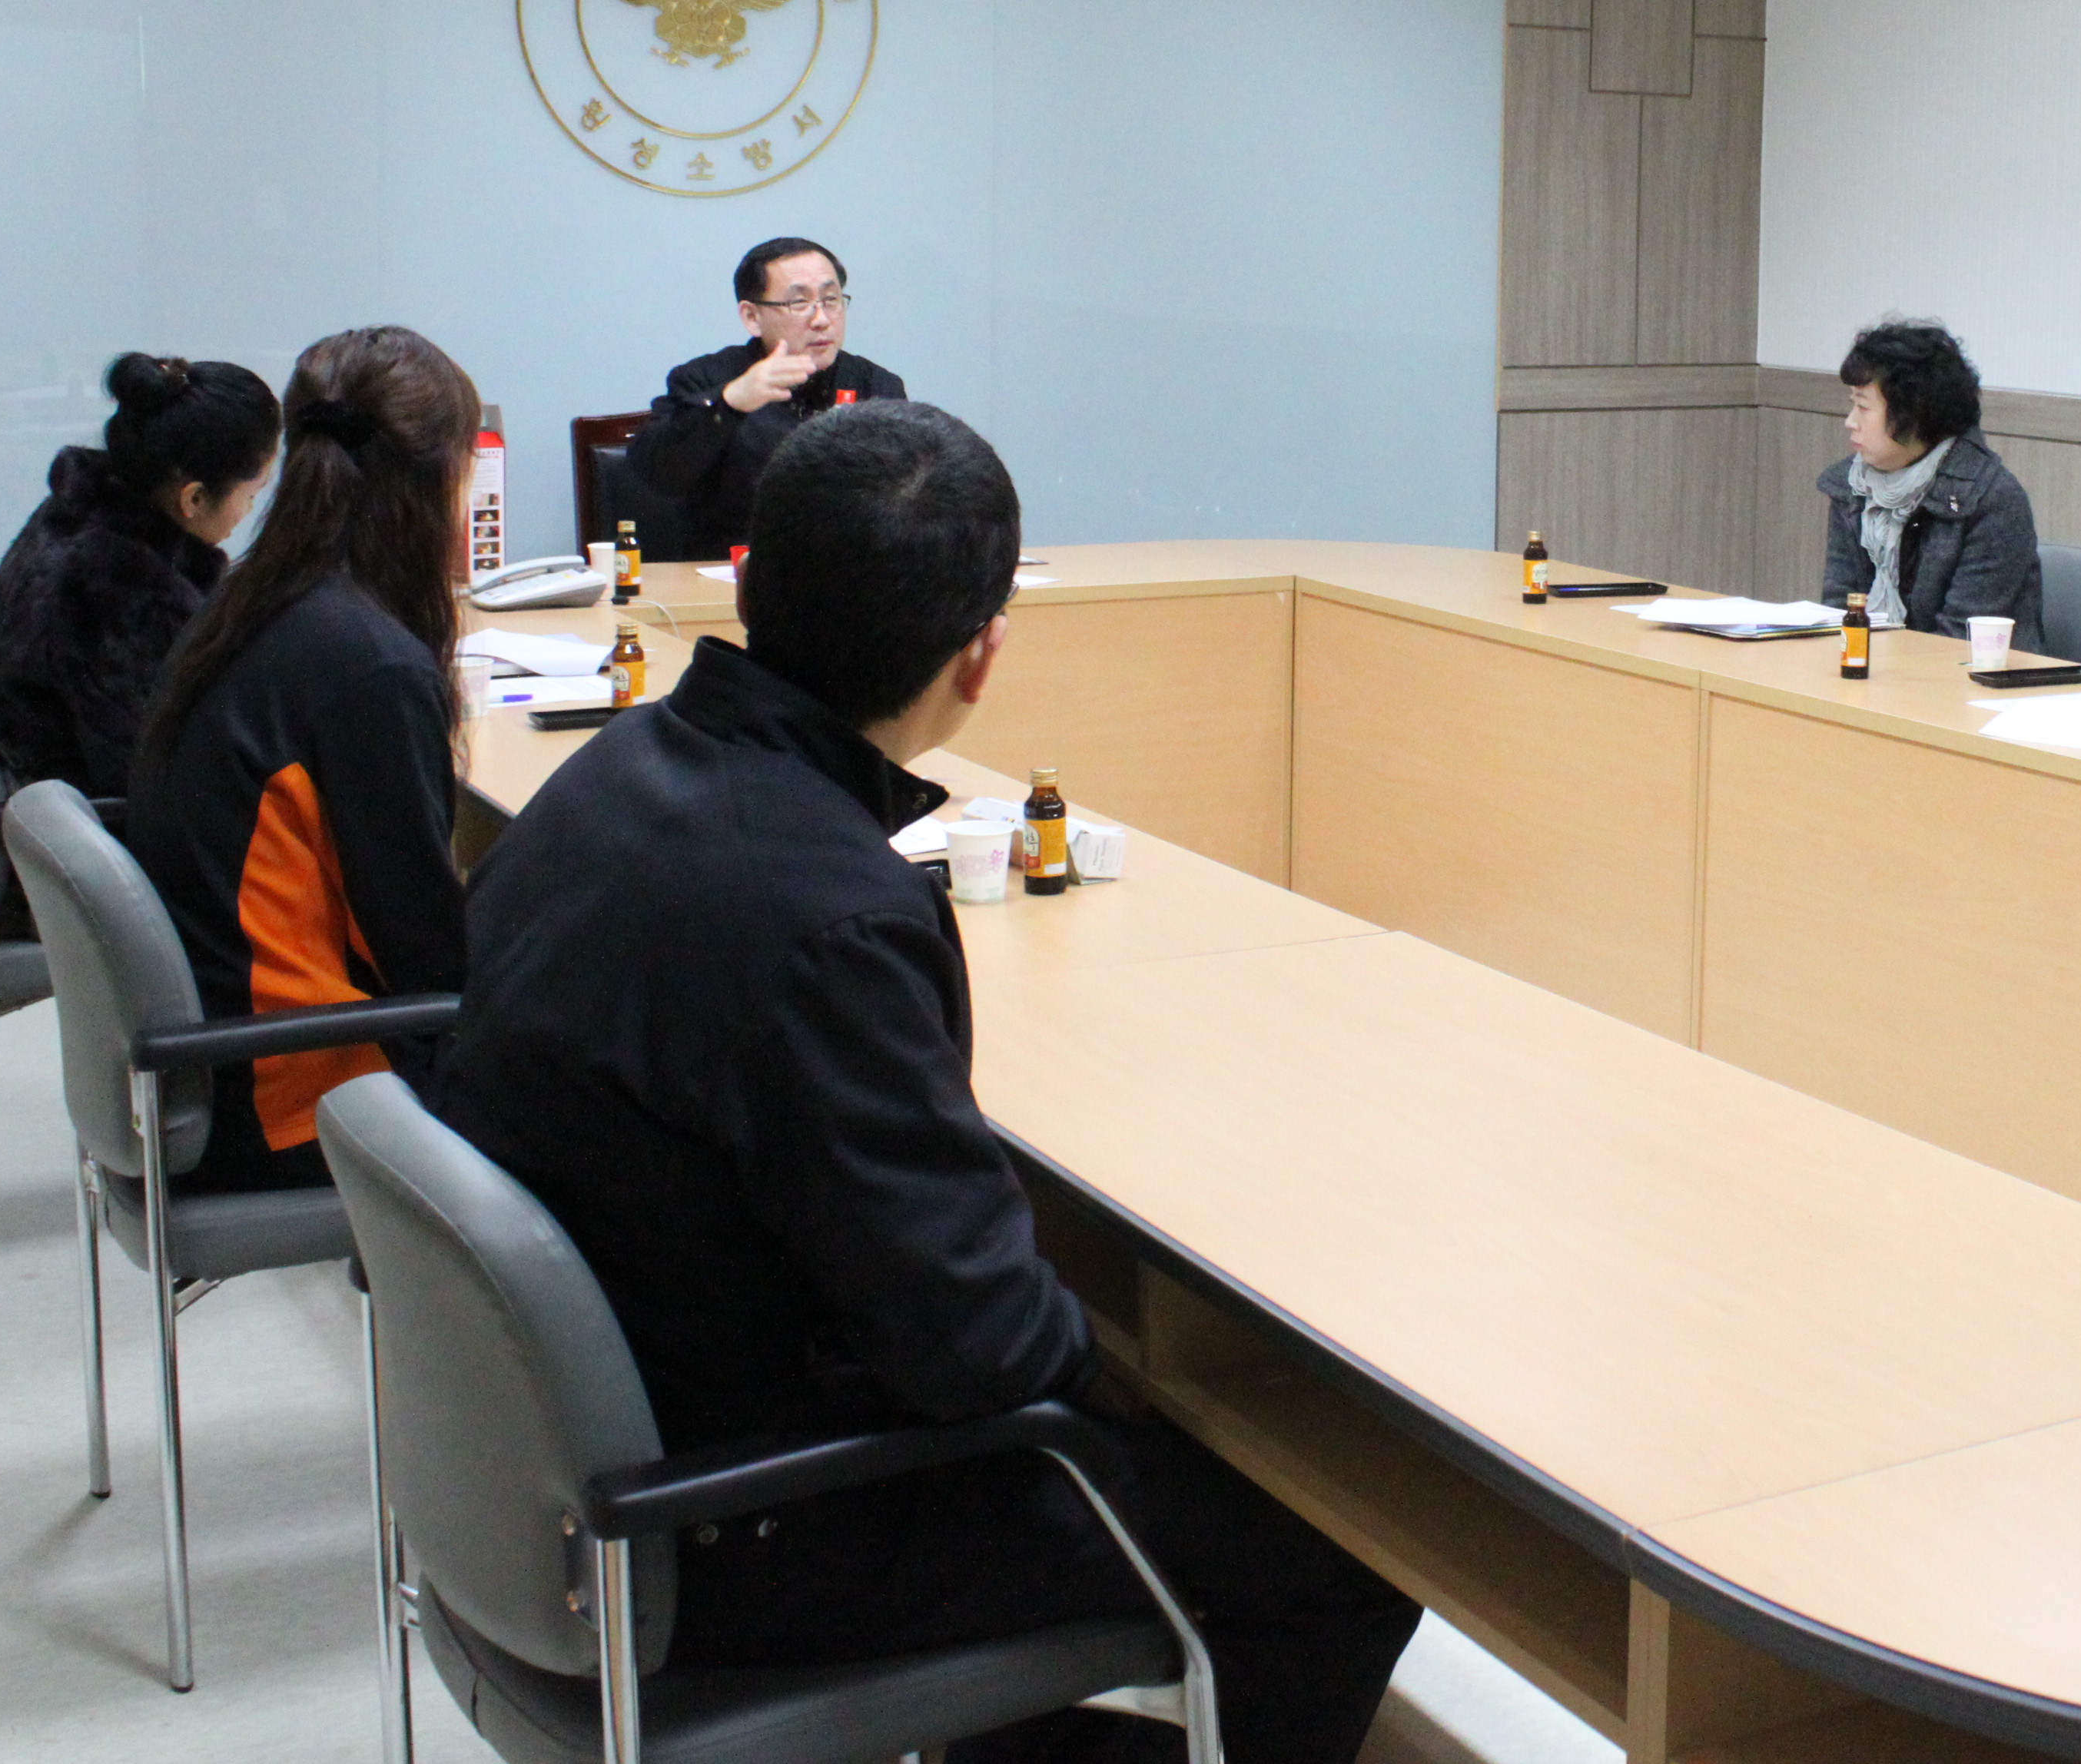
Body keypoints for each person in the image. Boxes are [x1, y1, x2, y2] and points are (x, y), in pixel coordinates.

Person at [438, 403, 1418, 1762]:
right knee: (1338, 1543)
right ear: (981, 652)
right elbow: (983, 1354)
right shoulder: (829, 918)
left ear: (748, 585)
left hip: (546, 1477)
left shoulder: (614, 773)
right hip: (730, 1522)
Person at [128, 327, 477, 1192]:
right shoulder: (368, 666)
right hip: (290, 1096)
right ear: (440, 476)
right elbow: (428, 959)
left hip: (216, 1055)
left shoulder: (252, 597)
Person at [0, 352, 280, 936]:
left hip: (50, 820)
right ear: (193, 499)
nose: (249, 513)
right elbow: (155, 774)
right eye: (252, 494)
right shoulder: (113, 587)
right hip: (82, 861)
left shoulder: (77, 519)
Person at [631, 237, 906, 555]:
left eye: (831, 300)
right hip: (732, 570)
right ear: (752, 317)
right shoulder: (704, 379)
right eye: (799, 303)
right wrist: (729, 404)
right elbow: (659, 475)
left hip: (848, 568)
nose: (821, 320)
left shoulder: (876, 385)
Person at [1816, 319, 2043, 648]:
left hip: (1970, 674)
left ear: (1913, 414)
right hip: (1875, 668)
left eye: (1863, 407)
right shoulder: (1853, 487)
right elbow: (1841, 610)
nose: (1850, 421)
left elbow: (1961, 641)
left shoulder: (1991, 499)